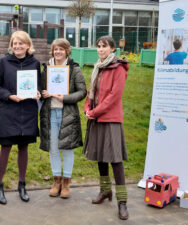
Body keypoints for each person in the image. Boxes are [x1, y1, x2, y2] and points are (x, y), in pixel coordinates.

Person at [0, 31, 41, 205]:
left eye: (21, 43)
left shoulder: (35, 63)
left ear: (28, 45)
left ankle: (22, 185)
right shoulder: (3, 62)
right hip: (9, 111)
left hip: (27, 112)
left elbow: (39, 86)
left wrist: (37, 93)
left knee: (23, 148)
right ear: (11, 45)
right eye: (14, 43)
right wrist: (9, 95)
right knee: (5, 147)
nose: (17, 46)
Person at [83, 36, 129, 220]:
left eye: (104, 47)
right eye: (99, 46)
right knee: (101, 157)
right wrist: (87, 108)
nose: (100, 49)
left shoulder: (118, 68)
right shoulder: (98, 67)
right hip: (96, 118)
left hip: (110, 119)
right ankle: (105, 191)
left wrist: (94, 112)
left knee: (115, 161)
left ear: (112, 49)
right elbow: (91, 92)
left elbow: (113, 96)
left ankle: (122, 202)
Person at [40, 38, 87, 199]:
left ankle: (66, 183)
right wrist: (43, 93)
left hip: (67, 113)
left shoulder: (74, 69)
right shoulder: (46, 68)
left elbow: (82, 92)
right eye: (55, 49)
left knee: (67, 149)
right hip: (50, 113)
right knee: (53, 149)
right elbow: (40, 89)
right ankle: (56, 181)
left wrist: (65, 97)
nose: (58, 52)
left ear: (67, 51)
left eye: (61, 49)